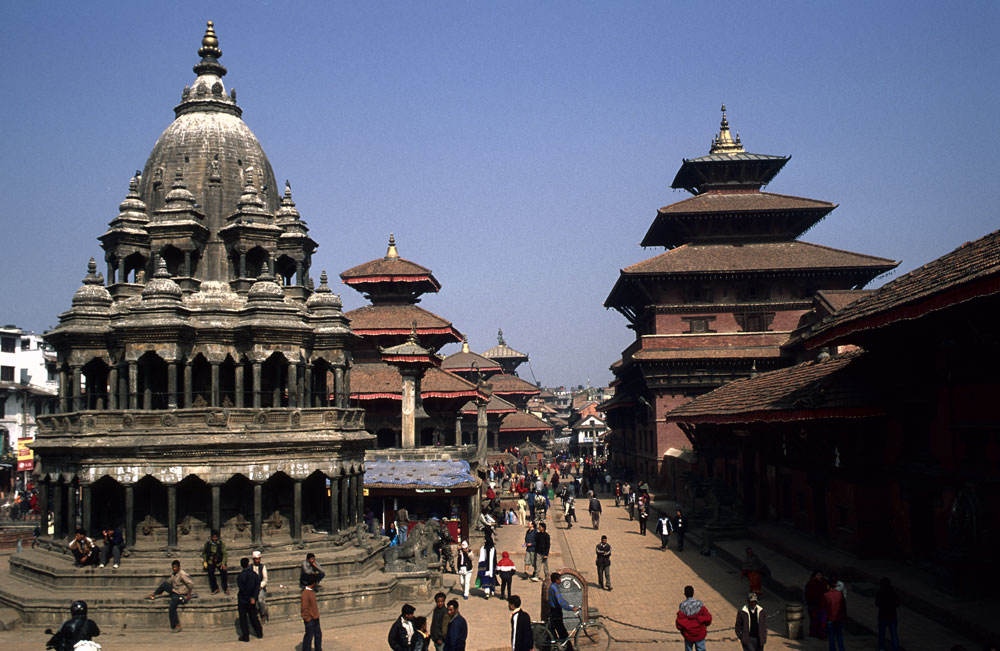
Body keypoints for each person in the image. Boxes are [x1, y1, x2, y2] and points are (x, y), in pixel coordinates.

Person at [146, 559, 195, 632]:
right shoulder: (174, 574)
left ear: (179, 567)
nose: (174, 569)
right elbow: (170, 582)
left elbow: (191, 584)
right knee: (164, 584)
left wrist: (188, 594)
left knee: (172, 607)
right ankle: (154, 594)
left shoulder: (182, 575)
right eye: (173, 567)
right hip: (175, 590)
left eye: (175, 567)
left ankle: (177, 625)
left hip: (180, 594)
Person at [547, 572, 580, 651]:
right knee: (562, 631)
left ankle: (560, 645)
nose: (561, 581)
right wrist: (571, 608)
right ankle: (569, 649)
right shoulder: (555, 588)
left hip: (553, 610)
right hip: (556, 611)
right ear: (556, 580)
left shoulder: (552, 586)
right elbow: (560, 601)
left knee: (557, 629)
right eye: (559, 579)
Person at [676, 585, 712, 651]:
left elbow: (679, 624)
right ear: (693, 593)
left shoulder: (682, 607)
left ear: (685, 594)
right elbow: (708, 618)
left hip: (688, 635)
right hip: (700, 634)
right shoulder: (700, 605)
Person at [236, 556, 263, 641]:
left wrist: (249, 597)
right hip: (251, 599)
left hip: (243, 600)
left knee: (243, 619)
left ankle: (245, 636)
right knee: (253, 617)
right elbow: (257, 587)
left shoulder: (240, 576)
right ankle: (259, 633)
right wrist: (253, 597)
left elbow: (242, 589)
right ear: (248, 564)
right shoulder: (254, 575)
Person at [875, 577, 900, 651]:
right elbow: (898, 603)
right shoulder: (893, 592)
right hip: (892, 616)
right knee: (893, 634)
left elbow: (877, 603)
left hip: (882, 616)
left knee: (882, 633)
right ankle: (895, 648)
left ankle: (881, 648)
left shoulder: (881, 592)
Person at [202, 529, 228, 594]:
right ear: (211, 537)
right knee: (210, 573)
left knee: (224, 572)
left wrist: (223, 563)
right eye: (214, 537)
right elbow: (204, 553)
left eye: (216, 537)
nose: (215, 539)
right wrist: (205, 560)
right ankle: (215, 588)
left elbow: (225, 554)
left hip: (219, 561)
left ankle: (225, 588)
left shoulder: (221, 544)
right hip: (211, 561)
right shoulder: (207, 544)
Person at [823, 579, 847, 651]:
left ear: (828, 586)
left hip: (830, 618)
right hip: (839, 618)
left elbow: (823, 608)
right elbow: (843, 607)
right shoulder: (840, 594)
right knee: (839, 635)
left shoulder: (826, 595)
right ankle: (841, 649)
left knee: (831, 636)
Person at [301, 573, 322, 651]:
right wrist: (307, 619)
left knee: (318, 635)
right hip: (310, 619)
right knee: (309, 637)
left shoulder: (311, 592)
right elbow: (304, 608)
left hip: (315, 617)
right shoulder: (305, 593)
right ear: (313, 583)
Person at [804, 571, 827, 639]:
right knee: (814, 620)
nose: (819, 577)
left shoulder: (825, 583)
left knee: (822, 620)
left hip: (822, 604)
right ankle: (814, 633)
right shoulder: (810, 584)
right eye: (818, 575)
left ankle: (822, 634)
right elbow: (807, 595)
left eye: (821, 575)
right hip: (813, 605)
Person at [251, 550, 269, 623]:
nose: (257, 560)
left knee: (260, 600)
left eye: (258, 559)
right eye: (255, 559)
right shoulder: (250, 567)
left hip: (260, 587)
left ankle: (263, 614)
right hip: (252, 587)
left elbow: (265, 579)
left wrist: (260, 586)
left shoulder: (262, 567)